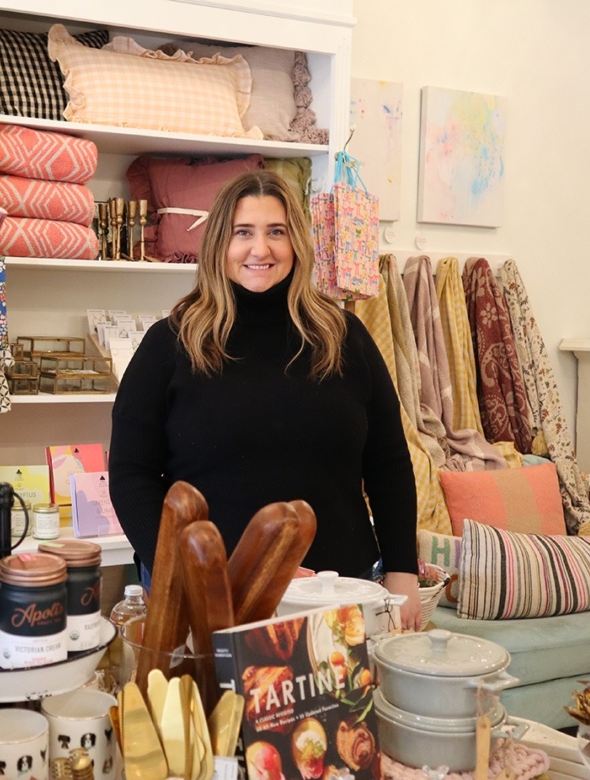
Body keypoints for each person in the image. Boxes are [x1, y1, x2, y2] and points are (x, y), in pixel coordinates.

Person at [108, 169, 421, 629]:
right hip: (209, 593)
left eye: (277, 232)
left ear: (297, 242)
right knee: (212, 705)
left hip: (338, 594)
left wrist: (402, 571)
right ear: (219, 245)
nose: (261, 249)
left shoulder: (345, 338)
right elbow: (131, 474)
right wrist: (193, 571)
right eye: (243, 233)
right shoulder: (171, 344)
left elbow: (389, 463)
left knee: (338, 704)